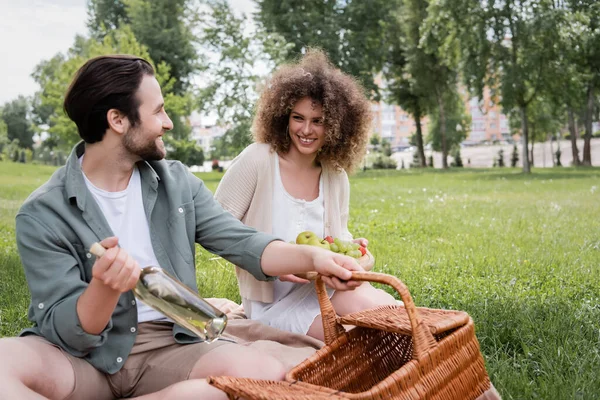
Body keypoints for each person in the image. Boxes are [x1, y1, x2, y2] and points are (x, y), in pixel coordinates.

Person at [0, 55, 364, 400]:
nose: (168, 122)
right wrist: (103, 288)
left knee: (259, 373)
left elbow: (244, 243)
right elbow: (69, 334)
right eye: (158, 111)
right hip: (84, 358)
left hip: (170, 343)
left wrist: (314, 256)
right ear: (118, 120)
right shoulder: (43, 212)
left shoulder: (176, 183)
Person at [214, 50, 397, 342]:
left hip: (323, 290)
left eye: (318, 121)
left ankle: (442, 376)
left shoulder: (335, 175)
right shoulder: (258, 160)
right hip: (269, 305)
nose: (306, 130)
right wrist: (276, 263)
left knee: (385, 312)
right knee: (370, 332)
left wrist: (352, 248)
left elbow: (337, 239)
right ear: (283, 117)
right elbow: (215, 232)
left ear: (336, 125)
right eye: (298, 118)